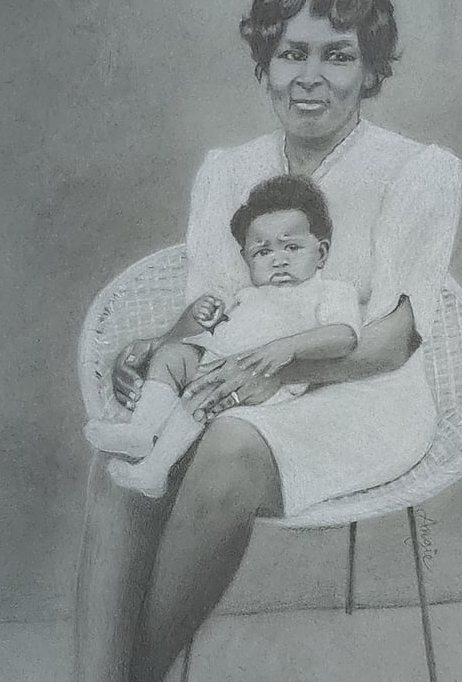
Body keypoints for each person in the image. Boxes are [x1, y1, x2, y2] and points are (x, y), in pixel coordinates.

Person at [0, 0, 462, 682]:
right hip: (241, 380)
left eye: (337, 56)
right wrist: (163, 345)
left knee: (230, 445)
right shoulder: (227, 169)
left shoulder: (419, 171)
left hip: (366, 398)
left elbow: (395, 339)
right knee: (125, 458)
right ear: (265, 63)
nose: (309, 78)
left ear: (371, 66)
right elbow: (210, 305)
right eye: (289, 55)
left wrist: (281, 358)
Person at [83, 174, 361, 498]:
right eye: (263, 252)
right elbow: (211, 332)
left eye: (292, 247)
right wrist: (198, 319)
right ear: (247, 259)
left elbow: (345, 335)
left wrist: (288, 347)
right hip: (216, 363)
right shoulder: (247, 296)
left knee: (204, 392)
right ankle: (142, 431)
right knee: (172, 357)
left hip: (266, 381)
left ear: (322, 252)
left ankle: (154, 471)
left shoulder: (328, 291)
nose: (279, 259)